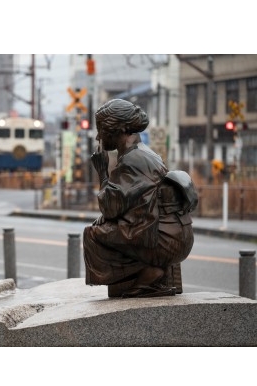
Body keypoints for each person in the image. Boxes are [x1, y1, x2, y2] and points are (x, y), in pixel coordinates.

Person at [83, 99, 197, 298]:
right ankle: (149, 273)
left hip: (164, 242)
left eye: (101, 129)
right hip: (175, 233)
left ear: (118, 129)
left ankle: (147, 275)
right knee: (104, 225)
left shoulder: (132, 160)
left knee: (92, 234)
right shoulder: (146, 153)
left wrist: (102, 173)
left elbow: (110, 207)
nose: (98, 136)